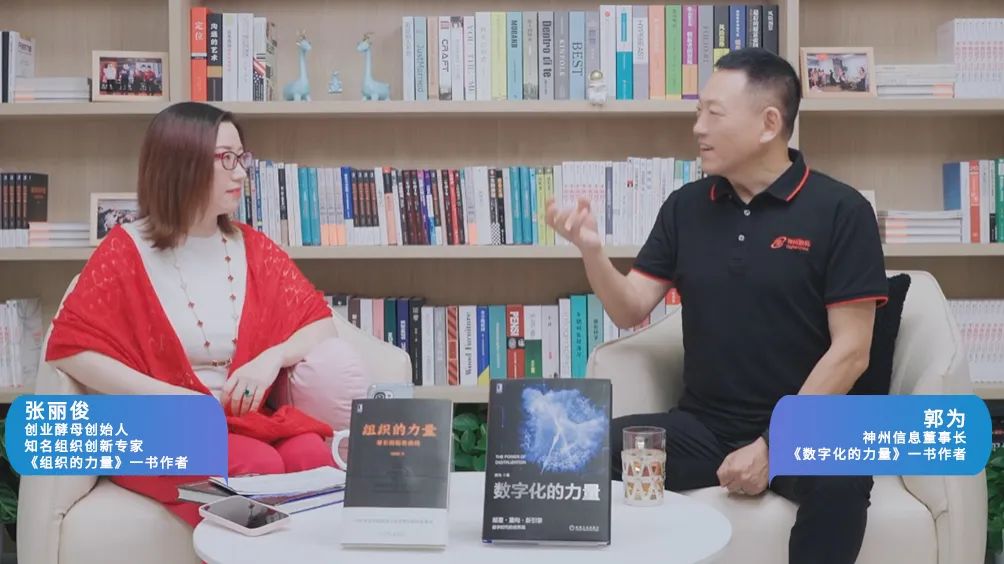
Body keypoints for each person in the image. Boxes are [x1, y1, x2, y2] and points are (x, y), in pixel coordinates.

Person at [545, 48, 887, 564]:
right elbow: (629, 308)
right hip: (704, 427)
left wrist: (771, 445)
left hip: (807, 427)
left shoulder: (842, 211)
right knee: (581, 450)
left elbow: (852, 352)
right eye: (697, 112)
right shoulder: (686, 207)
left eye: (714, 113)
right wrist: (592, 251)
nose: (698, 127)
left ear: (769, 123)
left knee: (841, 479)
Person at [45, 101, 343, 527]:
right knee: (254, 465)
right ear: (180, 163)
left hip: (242, 421)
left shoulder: (254, 248)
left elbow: (321, 323)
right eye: (226, 159)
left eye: (241, 157)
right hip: (157, 429)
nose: (241, 173)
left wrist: (271, 358)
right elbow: (70, 349)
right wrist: (172, 398)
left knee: (311, 454)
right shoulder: (125, 250)